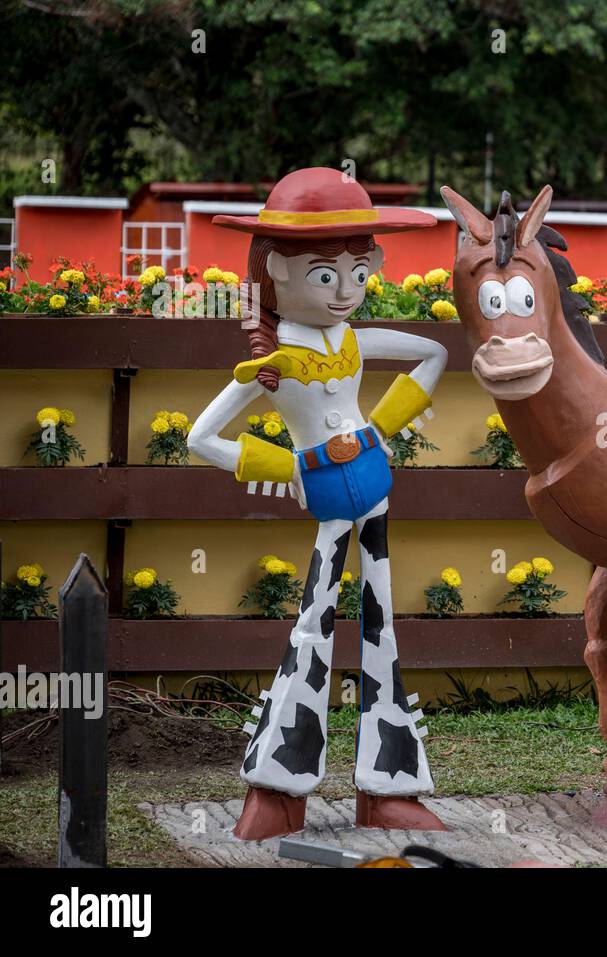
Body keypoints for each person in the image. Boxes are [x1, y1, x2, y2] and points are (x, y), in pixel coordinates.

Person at [188, 167, 449, 840]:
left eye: (359, 273)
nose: (346, 292)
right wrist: (292, 468)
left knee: (382, 629)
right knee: (312, 625)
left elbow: (433, 352)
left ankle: (390, 784)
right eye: (326, 275)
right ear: (275, 268)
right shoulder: (273, 361)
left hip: (373, 486)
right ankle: (278, 786)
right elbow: (201, 436)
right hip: (330, 495)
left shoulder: (354, 342)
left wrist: (382, 426)